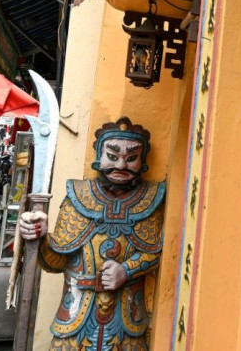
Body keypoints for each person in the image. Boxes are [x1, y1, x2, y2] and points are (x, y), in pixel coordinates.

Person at [20, 117, 165, 350]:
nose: (120, 166)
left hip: (126, 320)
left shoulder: (151, 198)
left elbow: (155, 252)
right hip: (75, 317)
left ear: (143, 161)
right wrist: (41, 238)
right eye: (113, 156)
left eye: (131, 158)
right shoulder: (78, 197)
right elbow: (57, 262)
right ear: (99, 157)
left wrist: (126, 271)